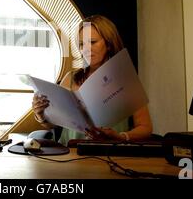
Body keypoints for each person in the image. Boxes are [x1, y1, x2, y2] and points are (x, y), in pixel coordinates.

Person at [32, 15, 152, 146]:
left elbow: (145, 127)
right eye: (82, 44)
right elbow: (53, 125)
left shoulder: (126, 80)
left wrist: (120, 137)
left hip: (110, 155)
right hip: (70, 155)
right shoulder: (70, 79)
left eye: (93, 42)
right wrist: (41, 115)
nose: (86, 49)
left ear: (109, 44)